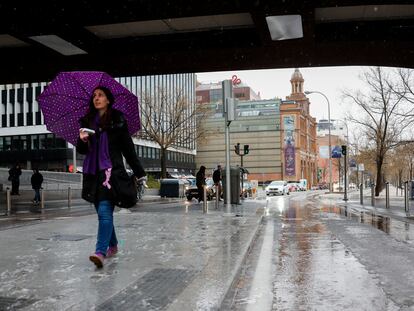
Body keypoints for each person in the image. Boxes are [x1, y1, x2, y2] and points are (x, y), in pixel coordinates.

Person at [77, 86, 146, 268]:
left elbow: (128, 150)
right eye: (94, 96)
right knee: (102, 212)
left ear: (108, 99)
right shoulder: (88, 122)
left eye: (100, 95)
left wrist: (140, 173)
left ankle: (100, 252)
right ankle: (113, 245)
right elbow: (82, 151)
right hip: (93, 174)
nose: (96, 98)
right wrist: (82, 140)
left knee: (105, 212)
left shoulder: (118, 122)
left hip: (111, 173)